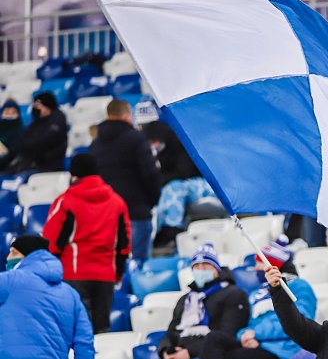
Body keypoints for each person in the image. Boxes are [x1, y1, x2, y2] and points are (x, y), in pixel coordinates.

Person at [42, 153, 131, 334]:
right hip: (105, 275)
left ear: (74, 175)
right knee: (102, 331)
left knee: (77, 331)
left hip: (74, 274)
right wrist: (118, 274)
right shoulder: (117, 202)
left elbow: (51, 242)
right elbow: (124, 245)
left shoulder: (65, 201)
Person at [200, 239, 316, 359]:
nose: (255, 268)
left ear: (273, 265)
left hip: (282, 350)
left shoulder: (299, 286)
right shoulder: (256, 293)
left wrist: (256, 334)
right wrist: (244, 336)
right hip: (257, 345)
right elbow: (248, 325)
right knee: (214, 339)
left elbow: (299, 323)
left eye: (259, 263)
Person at [90, 99, 162, 264]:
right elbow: (151, 174)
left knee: (112, 265)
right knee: (139, 265)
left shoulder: (95, 145)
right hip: (136, 210)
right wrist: (151, 202)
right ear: (126, 116)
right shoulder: (137, 139)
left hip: (107, 215)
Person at [156, 243, 249, 359]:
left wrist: (189, 352)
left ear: (216, 268)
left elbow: (229, 335)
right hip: (178, 353)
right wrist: (166, 351)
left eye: (206, 265)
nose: (201, 269)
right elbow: (171, 332)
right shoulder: (185, 299)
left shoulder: (234, 294)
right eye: (196, 266)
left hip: (210, 355)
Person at [142, 119, 218, 250]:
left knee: (173, 189)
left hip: (205, 184)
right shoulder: (162, 153)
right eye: (150, 143)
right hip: (183, 184)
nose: (153, 145)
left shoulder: (181, 146)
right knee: (165, 190)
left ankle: (172, 230)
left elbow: (183, 172)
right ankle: (160, 230)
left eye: (155, 141)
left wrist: (161, 180)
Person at [12, 92, 67, 173]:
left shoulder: (58, 119)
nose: (35, 109)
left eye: (38, 106)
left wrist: (28, 145)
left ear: (47, 106)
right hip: (33, 163)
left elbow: (46, 139)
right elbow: (22, 139)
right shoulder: (37, 122)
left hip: (50, 166)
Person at [0, 100, 23, 170]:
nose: (10, 115)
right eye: (7, 112)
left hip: (10, 166)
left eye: (13, 112)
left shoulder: (22, 131)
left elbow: (13, 154)